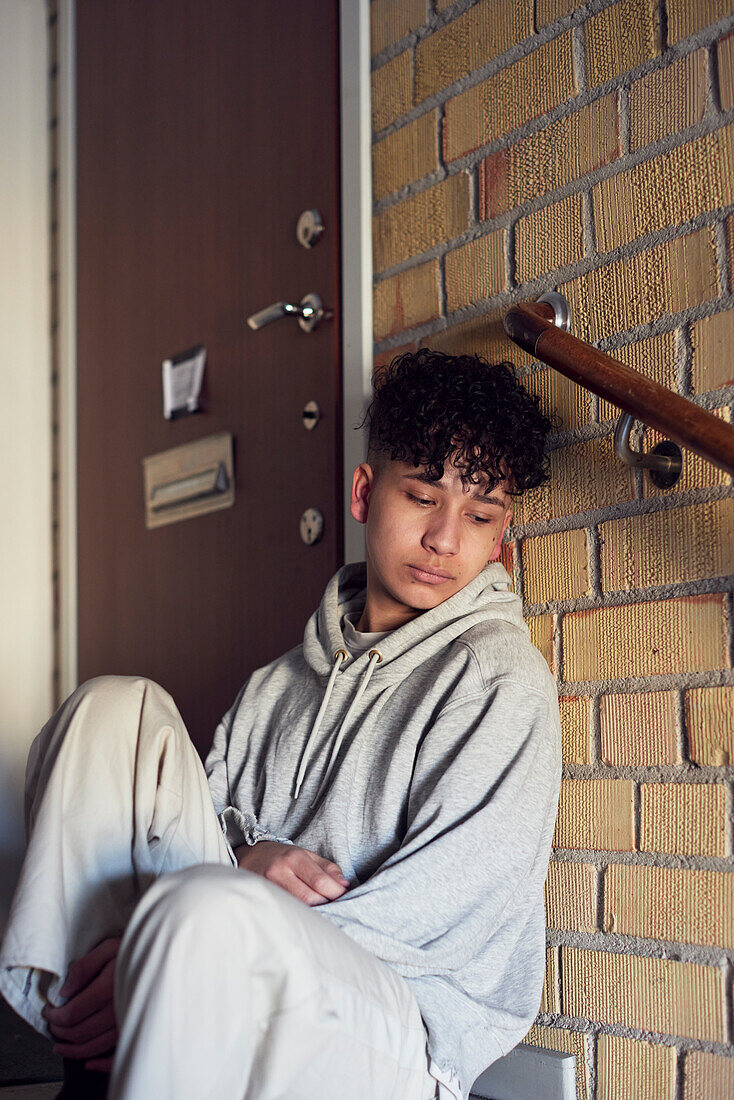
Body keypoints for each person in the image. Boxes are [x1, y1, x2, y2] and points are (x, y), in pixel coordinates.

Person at [0, 350, 562, 1100]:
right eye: (423, 498)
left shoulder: (496, 678)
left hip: (394, 1020)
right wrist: (242, 861)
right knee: (111, 707)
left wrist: (207, 925)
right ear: (366, 494)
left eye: (480, 516)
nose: (445, 539)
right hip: (229, 967)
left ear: (501, 536)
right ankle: (85, 1044)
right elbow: (198, 837)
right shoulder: (278, 683)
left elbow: (448, 911)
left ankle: (127, 1012)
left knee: (202, 911)